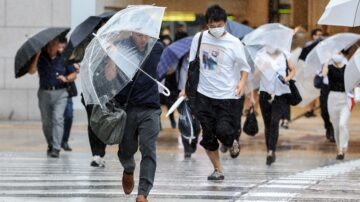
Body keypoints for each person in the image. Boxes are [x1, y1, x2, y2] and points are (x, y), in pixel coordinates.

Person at [179, 5, 250, 180]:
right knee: (209, 135)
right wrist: (185, 88)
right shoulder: (199, 38)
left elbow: (244, 67)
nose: (215, 29)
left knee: (224, 130)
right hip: (203, 95)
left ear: (225, 23)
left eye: (218, 25)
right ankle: (218, 169)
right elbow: (192, 64)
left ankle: (232, 140)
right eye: (212, 25)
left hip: (226, 96)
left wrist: (241, 83)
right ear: (207, 24)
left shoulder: (234, 43)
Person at [114, 32, 163, 202]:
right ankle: (128, 169)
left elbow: (162, 67)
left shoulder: (156, 47)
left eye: (147, 36)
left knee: (148, 147)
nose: (144, 39)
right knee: (126, 148)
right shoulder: (120, 47)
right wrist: (112, 57)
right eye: (140, 35)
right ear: (132, 33)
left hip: (150, 107)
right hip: (127, 107)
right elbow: (110, 77)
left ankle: (143, 193)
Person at [28, 38, 77, 158]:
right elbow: (31, 71)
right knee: (46, 122)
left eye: (53, 45)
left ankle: (56, 148)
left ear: (58, 46)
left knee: (58, 119)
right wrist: (37, 54)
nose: (51, 47)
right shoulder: (41, 57)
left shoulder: (64, 57)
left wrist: (65, 79)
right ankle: (51, 144)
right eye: (49, 45)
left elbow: (73, 74)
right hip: (44, 93)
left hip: (60, 93)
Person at [256, 46, 296, 166]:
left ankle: (271, 151)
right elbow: (255, 74)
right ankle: (270, 149)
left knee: (274, 122)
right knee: (268, 124)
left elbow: (292, 70)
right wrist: (264, 66)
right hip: (264, 94)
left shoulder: (285, 54)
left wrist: (288, 77)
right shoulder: (260, 54)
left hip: (280, 94)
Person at [321, 51, 351, 160]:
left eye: (339, 52)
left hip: (345, 98)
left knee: (343, 124)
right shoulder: (329, 67)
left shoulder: (348, 67)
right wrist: (326, 61)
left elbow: (354, 81)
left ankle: (344, 145)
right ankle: (339, 150)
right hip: (332, 97)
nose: (337, 55)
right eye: (335, 53)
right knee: (336, 126)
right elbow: (322, 77)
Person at [304, 28, 324, 118]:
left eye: (321, 35)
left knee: (319, 90)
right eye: (318, 35)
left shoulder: (323, 45)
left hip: (321, 70)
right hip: (311, 70)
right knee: (311, 90)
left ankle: (315, 109)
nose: (319, 36)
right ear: (313, 36)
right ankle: (309, 109)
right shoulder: (309, 45)